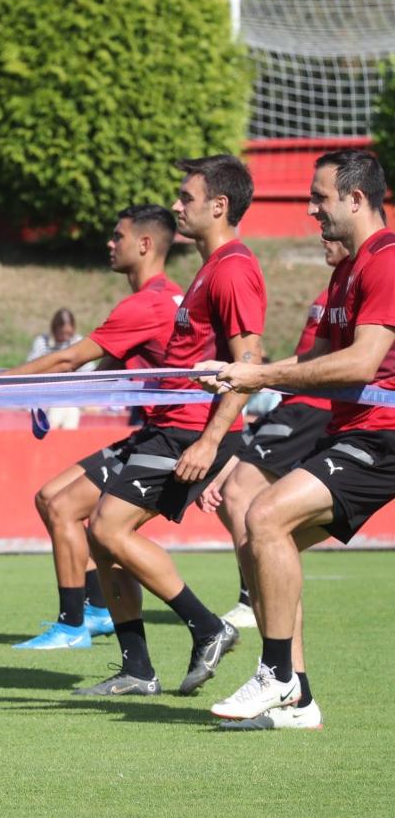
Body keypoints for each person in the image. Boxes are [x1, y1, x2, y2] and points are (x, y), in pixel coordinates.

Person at [203, 149, 395, 730]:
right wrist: (238, 371)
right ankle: (300, 699)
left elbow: (362, 363)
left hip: (383, 437)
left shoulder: (385, 261)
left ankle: (277, 673)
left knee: (263, 519)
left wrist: (257, 375)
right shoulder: (347, 268)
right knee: (261, 544)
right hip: (354, 432)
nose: (310, 209)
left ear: (355, 199)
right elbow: (313, 359)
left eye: (319, 197)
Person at [79, 155, 264, 697]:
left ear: (219, 206)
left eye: (187, 198)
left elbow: (249, 362)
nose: (178, 205)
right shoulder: (210, 267)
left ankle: (209, 626)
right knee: (101, 534)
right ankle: (138, 667)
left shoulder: (232, 267)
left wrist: (210, 443)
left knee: (107, 529)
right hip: (172, 427)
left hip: (188, 430)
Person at [0, 205, 183, 650]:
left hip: (175, 437)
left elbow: (69, 358)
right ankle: (99, 610)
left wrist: (4, 383)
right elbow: (100, 370)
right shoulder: (167, 296)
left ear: (145, 245)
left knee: (66, 509)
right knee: (50, 498)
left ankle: (72, 625)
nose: (109, 243)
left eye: (117, 236)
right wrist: (49, 393)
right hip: (161, 432)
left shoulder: (148, 303)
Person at [211, 243, 341, 635]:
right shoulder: (337, 287)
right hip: (295, 401)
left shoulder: (366, 283)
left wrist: (259, 374)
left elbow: (347, 363)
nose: (322, 235)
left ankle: (253, 601)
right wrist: (254, 374)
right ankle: (264, 599)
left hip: (314, 409)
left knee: (238, 495)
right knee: (227, 492)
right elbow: (308, 359)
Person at [26, 309, 93, 430]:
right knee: (57, 413)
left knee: (71, 413)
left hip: (72, 396)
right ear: (54, 329)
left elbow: (89, 371)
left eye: (68, 333)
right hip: (46, 393)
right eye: (62, 333)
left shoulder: (78, 342)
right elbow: (31, 368)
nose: (65, 337)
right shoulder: (42, 342)